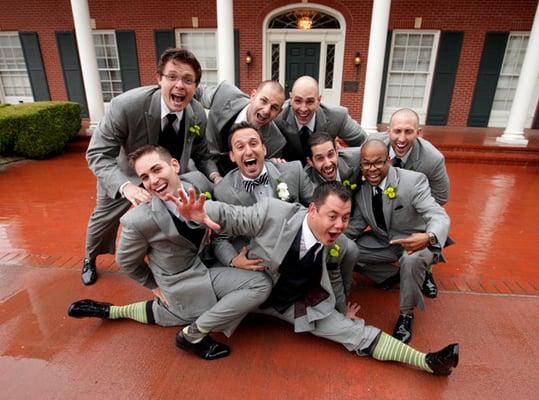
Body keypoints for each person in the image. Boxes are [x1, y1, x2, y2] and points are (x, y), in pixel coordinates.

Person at [170, 182, 459, 375]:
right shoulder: (275, 212)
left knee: (350, 331)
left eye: (345, 218)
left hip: (295, 303)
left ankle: (427, 362)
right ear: (312, 210)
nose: (338, 225)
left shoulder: (339, 243)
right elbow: (236, 216)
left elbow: (337, 277)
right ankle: (187, 337)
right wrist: (200, 212)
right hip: (248, 287)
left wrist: (341, 309)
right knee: (174, 309)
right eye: (332, 216)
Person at [68, 145, 272, 360]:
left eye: (157, 170)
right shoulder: (138, 220)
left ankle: (111, 311)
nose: (153, 180)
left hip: (207, 261)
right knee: (260, 285)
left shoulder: (198, 182)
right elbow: (126, 262)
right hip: (182, 279)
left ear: (174, 165)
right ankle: (193, 335)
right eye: (144, 177)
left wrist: (231, 259)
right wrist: (154, 286)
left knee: (192, 307)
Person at [82, 48, 218, 285]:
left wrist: (216, 178)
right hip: (124, 174)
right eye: (172, 77)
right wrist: (126, 187)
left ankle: (184, 256)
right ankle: (90, 258)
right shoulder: (125, 106)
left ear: (195, 86)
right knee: (103, 219)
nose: (180, 85)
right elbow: (97, 153)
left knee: (188, 204)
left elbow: (202, 154)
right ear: (159, 79)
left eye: (188, 80)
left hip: (171, 175)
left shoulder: (197, 113)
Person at [345, 140, 450, 343]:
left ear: (389, 161)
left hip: (417, 240)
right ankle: (394, 275)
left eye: (378, 163)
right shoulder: (362, 190)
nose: (372, 169)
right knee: (349, 250)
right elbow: (355, 226)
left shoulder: (414, 181)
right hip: (387, 242)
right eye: (367, 164)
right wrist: (327, 243)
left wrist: (429, 237)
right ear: (361, 165)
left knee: (411, 261)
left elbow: (438, 215)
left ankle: (406, 315)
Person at [212, 121, 314, 269]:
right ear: (232, 156)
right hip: (258, 257)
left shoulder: (293, 171)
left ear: (264, 149)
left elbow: (315, 207)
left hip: (296, 246)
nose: (248, 152)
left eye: (253, 144)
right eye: (240, 147)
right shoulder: (223, 190)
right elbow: (219, 238)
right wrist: (233, 260)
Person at [374, 108, 451, 298]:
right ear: (388, 131)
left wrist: (414, 209)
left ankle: (427, 273)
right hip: (385, 209)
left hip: (416, 212)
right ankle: (396, 273)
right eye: (397, 131)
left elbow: (442, 196)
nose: (401, 139)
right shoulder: (375, 145)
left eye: (408, 131)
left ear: (419, 133)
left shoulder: (433, 159)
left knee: (427, 229)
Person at [195, 80, 286, 175]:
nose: (266, 110)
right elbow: (197, 92)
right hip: (201, 167)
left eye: (274, 108)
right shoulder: (225, 94)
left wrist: (271, 166)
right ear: (253, 96)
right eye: (263, 101)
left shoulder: (276, 143)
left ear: (279, 112)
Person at [274, 75, 367, 163]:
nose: (303, 108)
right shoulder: (277, 118)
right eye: (298, 101)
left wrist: (342, 157)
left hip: (325, 171)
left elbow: (365, 141)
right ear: (290, 98)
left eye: (310, 101)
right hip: (291, 173)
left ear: (319, 100)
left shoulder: (337, 117)